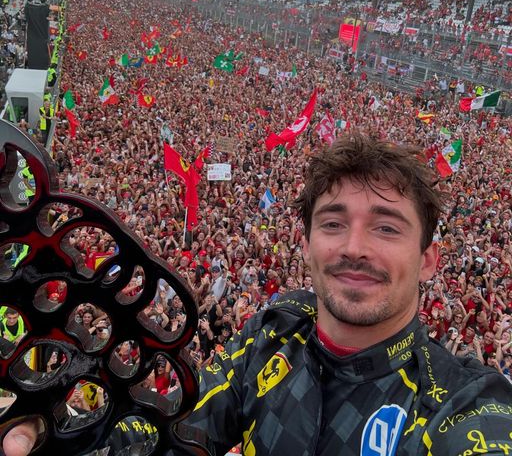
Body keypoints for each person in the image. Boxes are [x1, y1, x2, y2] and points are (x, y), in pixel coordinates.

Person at [5, 132, 512, 456]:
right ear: (308, 243)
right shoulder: (275, 331)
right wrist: (64, 430)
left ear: (428, 260)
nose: (354, 247)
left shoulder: (462, 404)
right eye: (333, 223)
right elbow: (180, 426)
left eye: (387, 228)